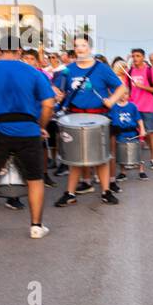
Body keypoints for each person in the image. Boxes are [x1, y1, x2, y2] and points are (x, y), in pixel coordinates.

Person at [0, 38, 57, 241]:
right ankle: (36, 226)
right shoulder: (34, 72)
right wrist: (41, 127)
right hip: (27, 130)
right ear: (19, 50)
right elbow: (49, 105)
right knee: (35, 179)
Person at [51, 35, 126, 208]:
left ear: (90, 48)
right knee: (75, 156)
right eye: (77, 46)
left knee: (101, 156)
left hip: (98, 117)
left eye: (83, 45)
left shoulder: (102, 68)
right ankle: (69, 193)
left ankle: (106, 191)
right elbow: (58, 89)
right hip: (75, 117)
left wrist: (112, 100)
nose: (80, 49)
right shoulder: (68, 70)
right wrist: (59, 94)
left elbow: (122, 87)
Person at [126, 48, 153, 169]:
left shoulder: (150, 71)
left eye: (138, 56)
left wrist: (142, 86)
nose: (135, 58)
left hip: (148, 107)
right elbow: (127, 90)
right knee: (136, 135)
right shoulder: (130, 71)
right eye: (133, 56)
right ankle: (136, 160)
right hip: (134, 108)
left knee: (150, 133)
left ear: (143, 57)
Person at [109, 96, 148, 181]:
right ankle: (123, 172)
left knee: (137, 151)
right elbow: (110, 119)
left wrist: (142, 129)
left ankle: (141, 170)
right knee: (121, 152)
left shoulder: (132, 106)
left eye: (126, 93)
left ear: (129, 95)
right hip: (120, 133)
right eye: (121, 94)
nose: (123, 96)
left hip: (132, 132)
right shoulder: (113, 107)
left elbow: (139, 119)